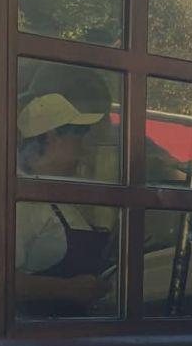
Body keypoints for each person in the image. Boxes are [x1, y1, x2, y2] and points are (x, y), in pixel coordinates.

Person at [13, 62, 118, 318]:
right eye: (80, 134)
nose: (84, 147)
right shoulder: (21, 197)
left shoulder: (56, 192)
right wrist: (66, 289)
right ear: (51, 137)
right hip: (35, 337)